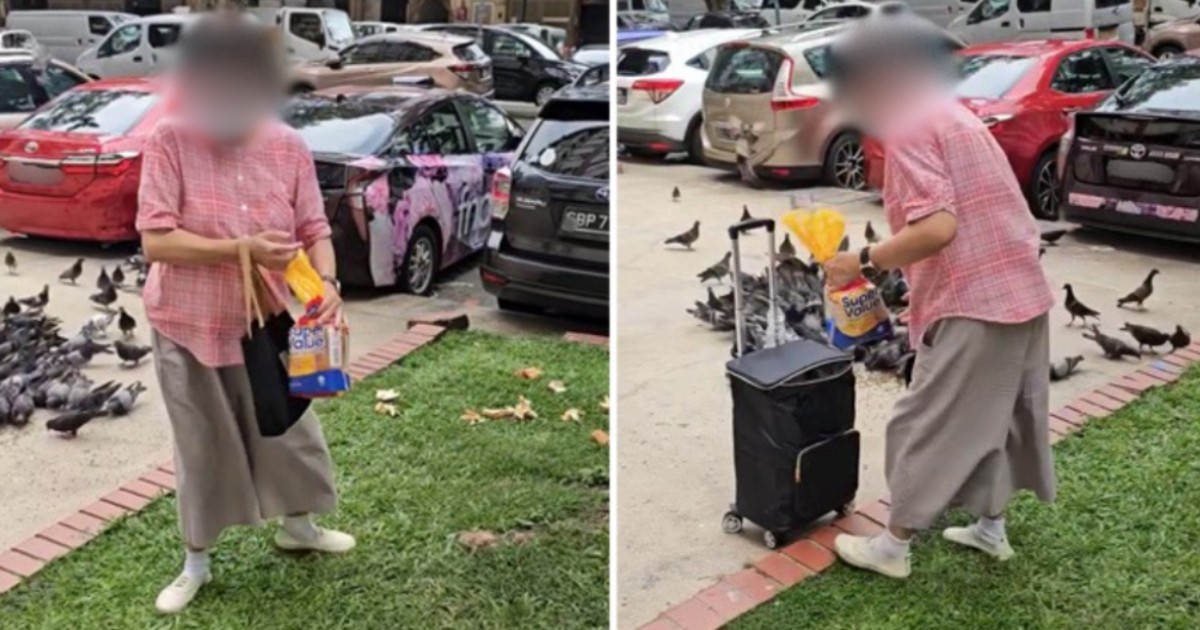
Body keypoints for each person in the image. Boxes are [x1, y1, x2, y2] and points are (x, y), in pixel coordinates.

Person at [820, 14, 1057, 579]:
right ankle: (989, 528)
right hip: (1019, 286)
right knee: (998, 416)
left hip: (974, 298)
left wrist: (863, 260)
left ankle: (893, 547)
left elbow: (938, 228)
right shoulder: (957, 118)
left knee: (923, 420)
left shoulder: (909, 128)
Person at [136, 16, 354, 613]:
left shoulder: (288, 146)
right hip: (188, 323)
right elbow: (156, 241)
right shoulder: (171, 139)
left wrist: (328, 282)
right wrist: (241, 251)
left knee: (290, 428)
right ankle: (196, 562)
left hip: (272, 324)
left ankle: (299, 527)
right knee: (202, 444)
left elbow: (314, 229)